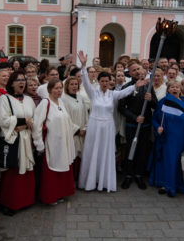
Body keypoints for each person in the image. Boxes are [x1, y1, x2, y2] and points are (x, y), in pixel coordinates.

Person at [77, 51, 146, 192]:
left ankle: (104, 181)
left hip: (108, 127)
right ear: (99, 82)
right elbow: (84, 81)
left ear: (110, 82)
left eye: (107, 81)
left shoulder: (113, 94)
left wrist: (136, 86)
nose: (104, 83)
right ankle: (90, 181)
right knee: (92, 152)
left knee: (105, 153)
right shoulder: (93, 93)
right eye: (102, 81)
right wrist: (83, 66)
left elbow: (124, 93)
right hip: (94, 126)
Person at [149, 80, 184, 197]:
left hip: (182, 139)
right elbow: (155, 119)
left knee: (178, 163)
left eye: (177, 87)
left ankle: (176, 185)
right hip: (166, 138)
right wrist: (157, 128)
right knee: (167, 161)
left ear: (180, 89)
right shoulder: (163, 103)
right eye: (172, 87)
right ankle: (166, 185)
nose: (175, 89)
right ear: (168, 89)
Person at [32, 79, 78, 204]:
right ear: (49, 90)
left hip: (63, 143)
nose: (59, 91)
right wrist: (39, 144)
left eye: (60, 88)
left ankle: (60, 193)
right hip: (52, 143)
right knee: (52, 170)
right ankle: (50, 196)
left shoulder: (60, 102)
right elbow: (37, 124)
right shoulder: (45, 103)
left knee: (62, 167)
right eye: (56, 88)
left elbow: (66, 120)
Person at [0, 71, 36, 215]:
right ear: (11, 83)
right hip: (13, 139)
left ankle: (25, 201)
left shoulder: (29, 99)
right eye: (18, 80)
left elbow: (35, 119)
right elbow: (3, 120)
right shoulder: (4, 99)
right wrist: (23, 121)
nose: (22, 82)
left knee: (26, 169)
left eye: (23, 80)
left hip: (26, 138)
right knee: (13, 171)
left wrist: (26, 125)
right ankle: (10, 203)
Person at [118, 60, 157, 190]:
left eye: (138, 69)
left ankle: (139, 175)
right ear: (129, 73)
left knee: (142, 150)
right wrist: (135, 118)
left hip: (145, 125)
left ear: (142, 70)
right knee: (130, 149)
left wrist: (151, 100)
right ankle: (129, 175)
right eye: (133, 70)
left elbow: (155, 105)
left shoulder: (149, 86)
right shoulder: (126, 87)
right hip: (132, 125)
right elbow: (121, 108)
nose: (137, 72)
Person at [61, 76, 88, 181]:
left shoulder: (80, 97)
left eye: (76, 84)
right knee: (73, 156)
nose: (74, 86)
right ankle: (71, 179)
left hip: (83, 132)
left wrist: (85, 127)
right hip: (73, 133)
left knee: (81, 156)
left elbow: (86, 113)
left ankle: (80, 177)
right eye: (71, 84)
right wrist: (77, 130)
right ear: (67, 86)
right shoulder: (63, 99)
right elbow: (65, 117)